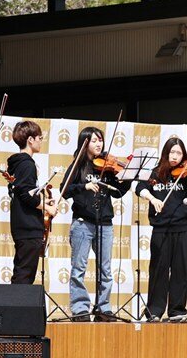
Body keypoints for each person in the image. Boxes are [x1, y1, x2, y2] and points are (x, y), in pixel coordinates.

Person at [60, 126, 131, 322]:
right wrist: (84, 186)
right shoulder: (78, 165)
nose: (99, 144)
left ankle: (103, 308)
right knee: (78, 269)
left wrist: (127, 178)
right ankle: (80, 309)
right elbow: (64, 190)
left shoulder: (107, 166)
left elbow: (117, 193)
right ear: (85, 143)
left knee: (105, 270)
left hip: (105, 223)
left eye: (100, 140)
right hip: (82, 223)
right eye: (94, 140)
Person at [135, 137, 187, 322]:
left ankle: (177, 310)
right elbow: (139, 188)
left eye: (179, 153)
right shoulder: (156, 173)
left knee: (181, 270)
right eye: (172, 152)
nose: (175, 157)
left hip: (183, 227)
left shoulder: (186, 175)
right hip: (161, 228)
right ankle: (154, 311)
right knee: (158, 270)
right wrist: (152, 199)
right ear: (166, 153)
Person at [8, 120, 58, 284]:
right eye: (40, 138)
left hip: (21, 224)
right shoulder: (27, 164)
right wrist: (47, 208)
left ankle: (16, 301)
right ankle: (16, 302)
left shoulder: (17, 164)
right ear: (30, 140)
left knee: (23, 272)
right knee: (24, 275)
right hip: (28, 226)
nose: (41, 141)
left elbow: (23, 192)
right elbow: (26, 195)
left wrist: (44, 200)